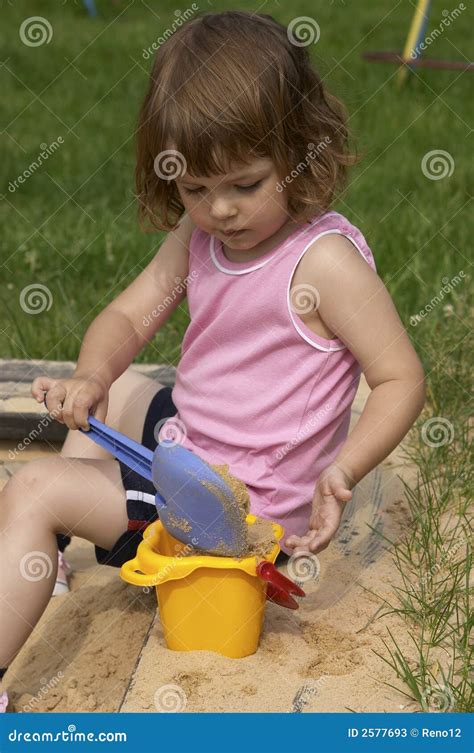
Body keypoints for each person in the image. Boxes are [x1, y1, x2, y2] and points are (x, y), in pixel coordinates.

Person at [0, 11, 426, 711]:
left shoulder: (324, 263)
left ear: (300, 151)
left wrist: (344, 466)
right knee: (122, 388)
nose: (220, 210)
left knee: (33, 491)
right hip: (194, 447)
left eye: (245, 185)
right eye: (195, 189)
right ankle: (46, 562)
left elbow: (401, 377)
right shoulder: (198, 239)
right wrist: (92, 377)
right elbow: (126, 317)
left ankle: (44, 539)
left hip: (230, 511)